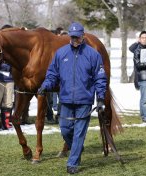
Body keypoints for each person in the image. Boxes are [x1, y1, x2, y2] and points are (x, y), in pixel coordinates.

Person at [38, 22, 107, 174]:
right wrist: (45, 85)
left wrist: (100, 98)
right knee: (65, 130)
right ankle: (77, 146)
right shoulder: (61, 53)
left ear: (83, 36)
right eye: (72, 37)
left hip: (85, 101)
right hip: (66, 100)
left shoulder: (93, 55)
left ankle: (73, 163)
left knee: (79, 132)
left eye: (77, 37)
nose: (74, 39)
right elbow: (52, 74)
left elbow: (100, 79)